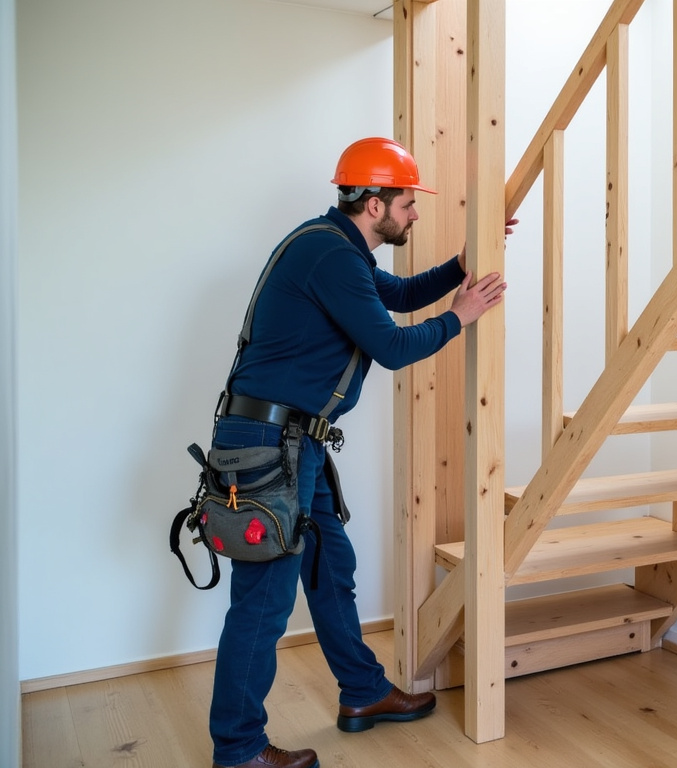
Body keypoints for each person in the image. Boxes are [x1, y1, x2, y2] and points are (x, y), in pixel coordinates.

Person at [207, 137, 507, 768]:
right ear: (374, 203)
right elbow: (394, 347)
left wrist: (461, 264)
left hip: (292, 446)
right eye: (408, 202)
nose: (414, 213)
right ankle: (237, 750)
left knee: (329, 568)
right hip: (269, 447)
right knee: (263, 601)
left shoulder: (336, 247)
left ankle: (363, 693)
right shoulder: (331, 255)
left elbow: (396, 296)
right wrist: (461, 315)